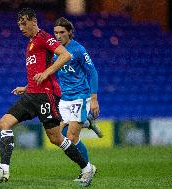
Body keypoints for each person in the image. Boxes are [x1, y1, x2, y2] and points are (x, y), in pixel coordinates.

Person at [0, 8, 95, 187]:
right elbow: (38, 72)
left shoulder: (44, 37)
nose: (21, 27)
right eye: (19, 24)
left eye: (24, 23)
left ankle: (87, 167)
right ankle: (4, 169)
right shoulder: (31, 43)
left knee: (56, 138)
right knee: (4, 123)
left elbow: (66, 55)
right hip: (30, 95)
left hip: (45, 97)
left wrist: (46, 72)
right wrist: (26, 87)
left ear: (34, 21)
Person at [53, 17, 103, 177]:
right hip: (64, 99)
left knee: (71, 137)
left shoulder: (79, 50)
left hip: (80, 97)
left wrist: (94, 99)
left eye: (62, 32)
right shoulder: (55, 50)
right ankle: (88, 122)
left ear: (69, 33)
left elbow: (93, 72)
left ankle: (87, 170)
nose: (58, 36)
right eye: (55, 33)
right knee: (58, 137)